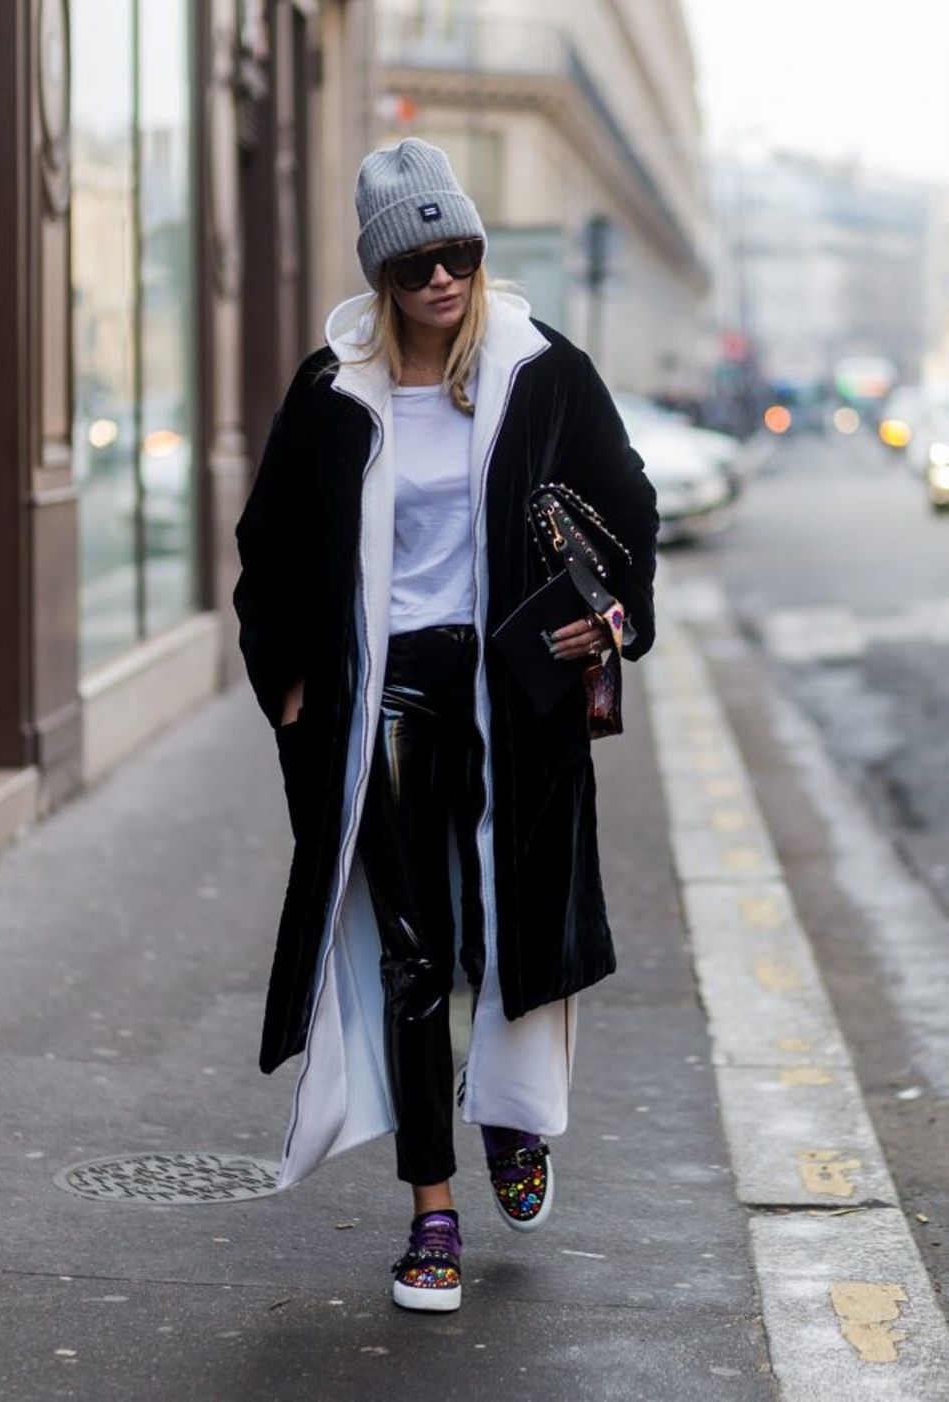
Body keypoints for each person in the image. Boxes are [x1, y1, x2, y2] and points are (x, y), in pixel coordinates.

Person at [233, 138, 659, 1313]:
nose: (441, 278)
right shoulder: (332, 392)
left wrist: (611, 616)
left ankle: (513, 1119)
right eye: (417, 260)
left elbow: (626, 508)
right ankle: (432, 1211)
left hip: (513, 694)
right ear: (383, 273)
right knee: (414, 953)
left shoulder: (538, 370)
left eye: (459, 252)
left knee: (512, 930)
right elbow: (264, 550)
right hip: (387, 695)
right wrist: (286, 681)